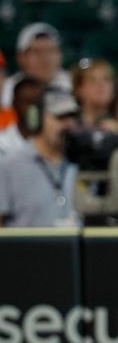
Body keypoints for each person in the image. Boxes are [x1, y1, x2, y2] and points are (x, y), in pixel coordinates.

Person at [0, 88, 80, 227]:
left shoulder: (80, 161)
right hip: (26, 248)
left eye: (72, 117)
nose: (68, 124)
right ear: (36, 119)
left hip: (72, 247)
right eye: (60, 117)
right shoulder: (9, 165)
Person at [1, 23, 71, 108]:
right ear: (21, 57)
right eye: (37, 51)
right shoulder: (7, 89)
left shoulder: (74, 84)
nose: (45, 58)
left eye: (50, 50)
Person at [0, 77, 45, 155]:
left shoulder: (53, 142)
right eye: (28, 102)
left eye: (38, 103)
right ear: (15, 104)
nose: (33, 109)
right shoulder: (2, 143)